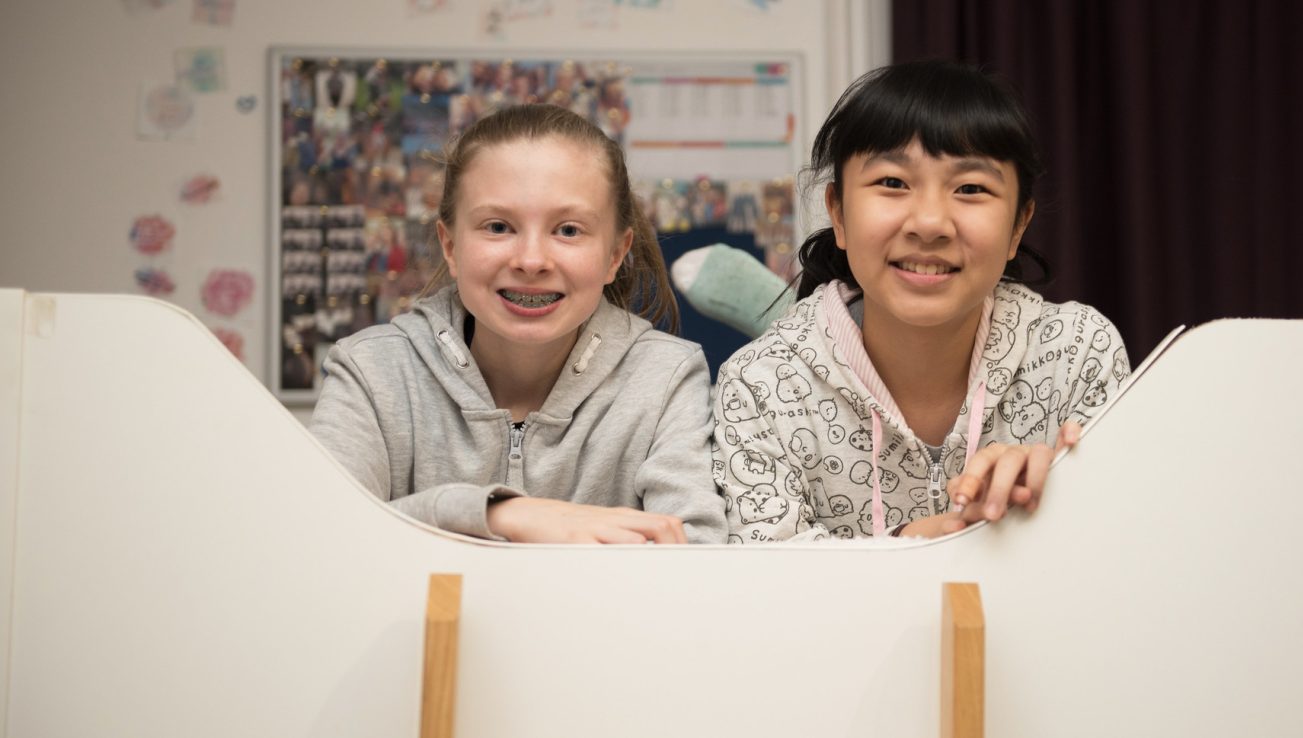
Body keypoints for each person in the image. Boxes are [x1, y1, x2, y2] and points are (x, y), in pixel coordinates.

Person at [713, 60, 1131, 543]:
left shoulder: (1078, 354)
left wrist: (1050, 499)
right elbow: (766, 586)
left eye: (971, 188)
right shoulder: (759, 386)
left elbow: (1124, 548)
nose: (930, 223)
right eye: (893, 183)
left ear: (1018, 225)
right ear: (838, 214)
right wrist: (923, 541)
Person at [310, 104, 726, 544]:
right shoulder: (371, 370)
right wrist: (501, 515)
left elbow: (695, 554)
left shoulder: (666, 377)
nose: (531, 261)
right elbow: (315, 536)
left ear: (615, 255)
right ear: (450, 246)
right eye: (498, 226)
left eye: (567, 230)